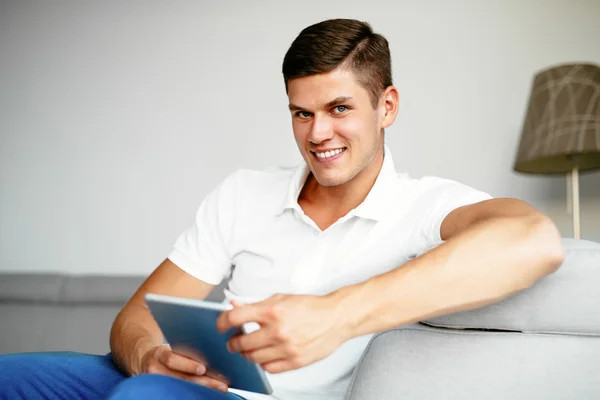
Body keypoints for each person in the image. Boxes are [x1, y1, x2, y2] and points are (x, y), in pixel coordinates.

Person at [0, 18, 564, 400]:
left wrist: (337, 315)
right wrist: (149, 353)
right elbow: (134, 319)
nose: (318, 134)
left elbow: (533, 239)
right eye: (301, 113)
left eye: (339, 107)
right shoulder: (244, 192)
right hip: (188, 384)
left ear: (386, 106)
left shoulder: (423, 206)